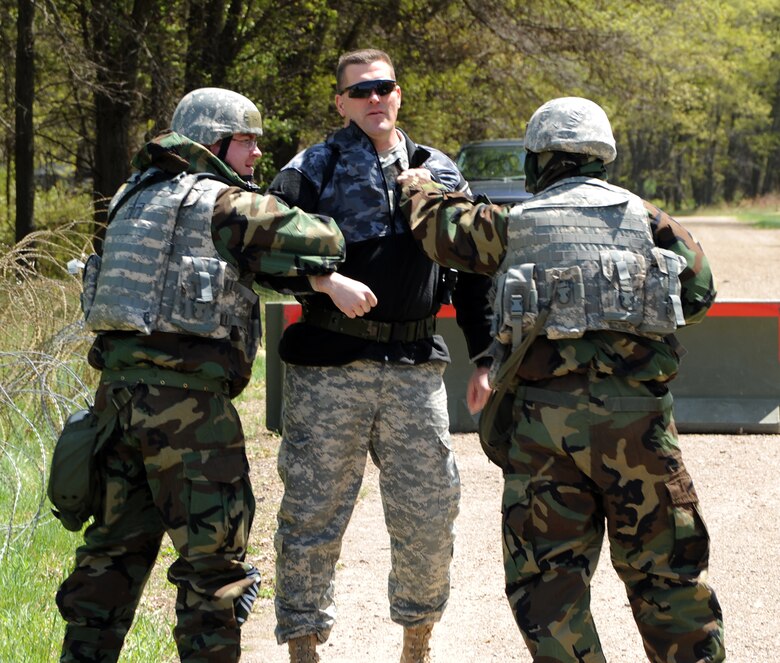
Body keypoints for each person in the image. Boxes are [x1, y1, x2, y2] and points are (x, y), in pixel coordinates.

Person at [398, 97, 725, 662]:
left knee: (548, 587)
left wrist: (417, 183)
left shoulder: (512, 224)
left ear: (539, 160)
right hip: (639, 429)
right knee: (668, 578)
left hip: (542, 429)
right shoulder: (651, 220)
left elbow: (438, 231)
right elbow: (698, 296)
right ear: (603, 157)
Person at [56, 87, 346, 663]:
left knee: (109, 559)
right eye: (247, 141)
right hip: (192, 420)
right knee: (213, 573)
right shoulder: (223, 203)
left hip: (115, 409)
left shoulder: (129, 197)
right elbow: (324, 238)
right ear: (214, 144)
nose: (257, 154)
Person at [265, 49, 494, 662]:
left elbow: (474, 270)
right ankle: (304, 646)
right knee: (312, 517)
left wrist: (486, 355)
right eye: (359, 91)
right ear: (340, 103)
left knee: (429, 513)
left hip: (415, 369)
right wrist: (322, 283)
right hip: (327, 371)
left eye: (383, 88)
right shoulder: (311, 169)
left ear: (399, 95)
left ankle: (416, 642)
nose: (374, 99)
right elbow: (260, 247)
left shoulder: (440, 172)